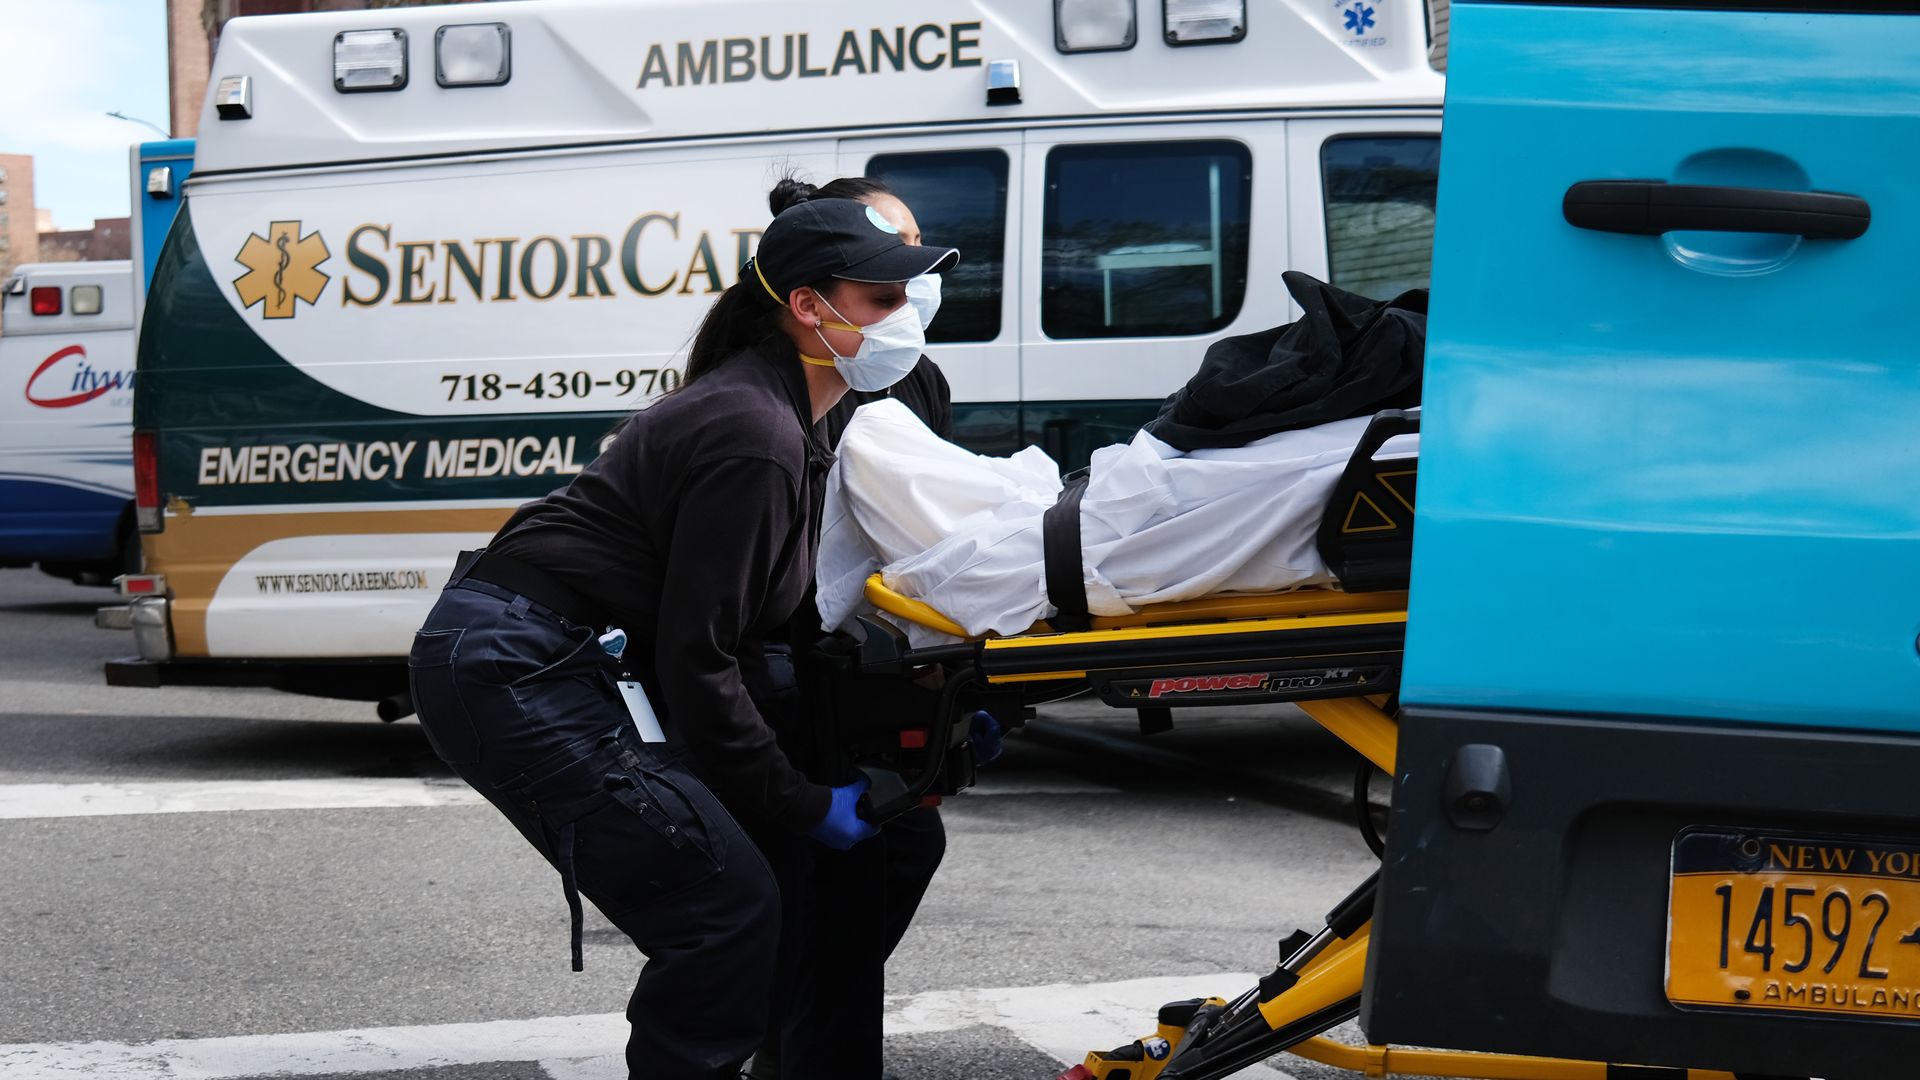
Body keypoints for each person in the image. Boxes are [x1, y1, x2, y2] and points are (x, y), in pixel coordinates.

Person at [406, 196, 958, 1080]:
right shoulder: (756, 433)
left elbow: (742, 636)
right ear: (809, 308)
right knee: (722, 911)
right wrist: (803, 800)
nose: (905, 319)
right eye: (882, 298)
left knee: (766, 888)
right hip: (514, 669)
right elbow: (699, 659)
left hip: (550, 657)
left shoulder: (789, 417)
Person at [742, 175, 958, 1080]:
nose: (912, 298)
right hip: (797, 678)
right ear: (813, 297)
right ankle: (780, 1037)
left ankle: (786, 1034)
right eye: (889, 277)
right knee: (827, 878)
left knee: (881, 857)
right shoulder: (776, 405)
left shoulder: (892, 377)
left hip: (837, 670)